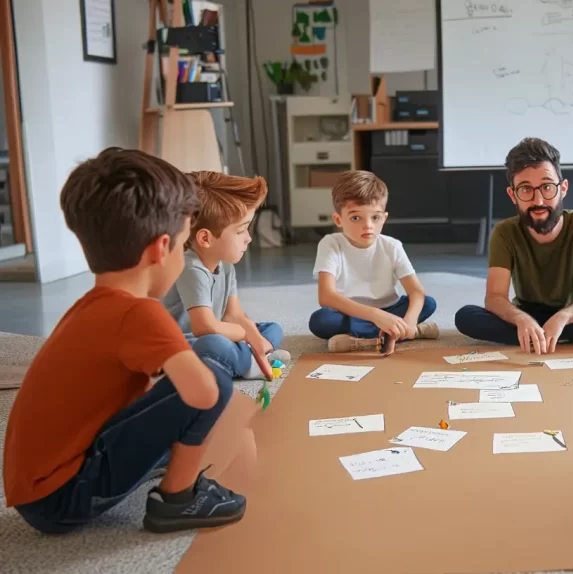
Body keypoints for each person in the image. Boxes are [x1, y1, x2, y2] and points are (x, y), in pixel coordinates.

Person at [3, 148, 255, 534]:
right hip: (62, 498)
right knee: (214, 378)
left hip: (36, 490)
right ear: (160, 249)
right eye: (184, 244)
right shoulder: (141, 313)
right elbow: (203, 394)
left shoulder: (90, 307)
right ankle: (178, 499)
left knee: (179, 387)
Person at [455, 137, 573, 354]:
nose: (539, 200)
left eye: (546, 187)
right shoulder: (504, 232)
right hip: (528, 314)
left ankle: (545, 337)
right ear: (512, 195)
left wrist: (564, 316)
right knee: (466, 316)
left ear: (562, 188)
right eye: (526, 189)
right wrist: (520, 319)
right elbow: (495, 297)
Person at [163, 172, 289, 380]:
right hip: (185, 342)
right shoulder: (191, 268)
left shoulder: (225, 265)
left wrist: (255, 337)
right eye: (241, 231)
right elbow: (204, 327)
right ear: (205, 238)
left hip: (219, 332)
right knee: (215, 345)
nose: (248, 238)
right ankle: (247, 362)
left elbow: (234, 314)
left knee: (272, 329)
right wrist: (243, 335)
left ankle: (245, 355)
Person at [308, 170, 438, 354]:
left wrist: (409, 320)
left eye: (375, 217)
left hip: (390, 308)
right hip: (352, 312)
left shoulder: (392, 245)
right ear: (339, 219)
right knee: (321, 320)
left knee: (428, 303)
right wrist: (376, 316)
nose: (367, 225)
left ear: (384, 218)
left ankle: (367, 338)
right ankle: (404, 333)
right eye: (355, 218)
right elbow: (326, 296)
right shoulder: (330, 244)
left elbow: (416, 292)